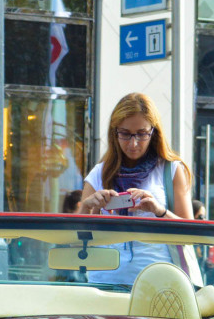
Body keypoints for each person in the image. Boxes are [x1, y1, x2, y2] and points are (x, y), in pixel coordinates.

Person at [77, 93, 194, 285]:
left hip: (157, 283)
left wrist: (159, 211)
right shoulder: (99, 173)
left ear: (154, 132)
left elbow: (191, 233)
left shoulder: (170, 170)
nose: (133, 143)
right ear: (114, 133)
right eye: (125, 134)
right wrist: (87, 207)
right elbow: (77, 237)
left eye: (141, 134)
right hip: (104, 282)